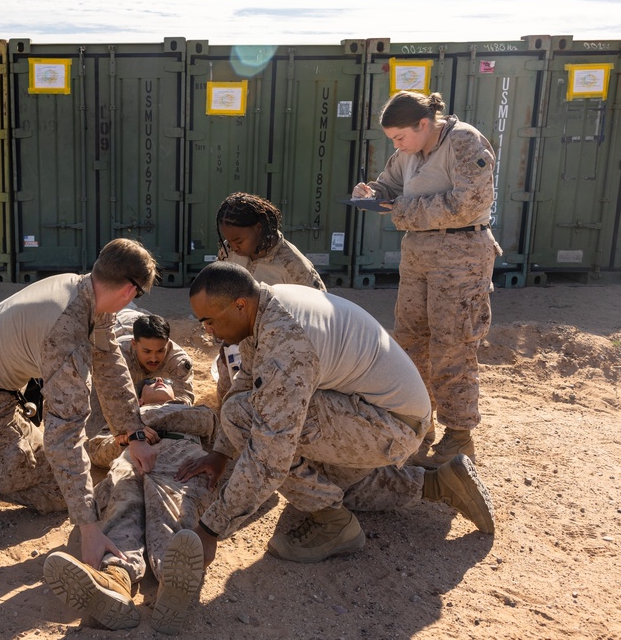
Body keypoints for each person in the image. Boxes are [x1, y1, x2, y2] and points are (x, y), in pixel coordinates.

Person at [177, 262, 495, 566]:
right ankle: (440, 484)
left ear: (240, 305)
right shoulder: (266, 304)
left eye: (209, 321)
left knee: (252, 423)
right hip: (379, 414)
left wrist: (210, 530)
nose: (209, 332)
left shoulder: (287, 341)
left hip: (392, 425)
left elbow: (269, 455)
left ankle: (334, 524)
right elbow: (247, 378)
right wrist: (220, 453)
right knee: (319, 477)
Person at [0, 238, 160, 569]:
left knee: (52, 470)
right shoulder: (65, 335)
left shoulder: (86, 291)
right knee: (55, 495)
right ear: (130, 293)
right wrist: (88, 527)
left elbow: (108, 360)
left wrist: (133, 432)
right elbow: (65, 435)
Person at [352, 91, 501, 466]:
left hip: (462, 253)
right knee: (410, 341)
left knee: (453, 344)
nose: (397, 145)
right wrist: (372, 193)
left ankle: (458, 436)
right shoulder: (409, 150)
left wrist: (400, 208)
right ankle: (419, 424)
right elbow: (390, 186)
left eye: (400, 137)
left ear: (423, 124)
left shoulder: (465, 141)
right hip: (418, 253)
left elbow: (466, 203)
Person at [44, 377, 217, 634]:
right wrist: (124, 439)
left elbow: (206, 423)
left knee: (175, 509)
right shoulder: (123, 419)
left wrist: (135, 426)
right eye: (151, 381)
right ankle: (116, 580)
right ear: (140, 399)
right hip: (131, 462)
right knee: (123, 505)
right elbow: (97, 450)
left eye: (165, 380)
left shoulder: (190, 408)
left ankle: (172, 584)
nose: (159, 379)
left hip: (181, 461)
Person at [213, 192, 327, 402]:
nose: (233, 247)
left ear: (258, 227)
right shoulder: (229, 252)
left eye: (238, 240)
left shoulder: (293, 265)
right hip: (238, 345)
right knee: (229, 399)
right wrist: (225, 338)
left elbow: (320, 314)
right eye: (229, 241)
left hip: (278, 350)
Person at [87, 313, 194, 467]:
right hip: (119, 324)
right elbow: (103, 403)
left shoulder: (178, 362)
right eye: (147, 351)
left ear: (168, 345)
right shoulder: (115, 358)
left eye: (160, 350)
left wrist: (153, 416)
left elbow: (184, 402)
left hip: (146, 393)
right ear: (134, 344)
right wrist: (129, 432)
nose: (154, 358)